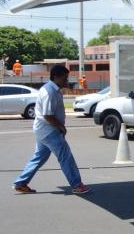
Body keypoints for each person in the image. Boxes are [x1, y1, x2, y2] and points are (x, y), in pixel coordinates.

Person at [13, 65, 91, 195]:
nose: (67, 80)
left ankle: (21, 183)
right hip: (49, 131)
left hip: (43, 130)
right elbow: (47, 115)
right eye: (65, 78)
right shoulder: (49, 92)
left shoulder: (53, 90)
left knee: (39, 157)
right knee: (65, 156)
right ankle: (77, 185)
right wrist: (61, 126)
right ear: (55, 77)